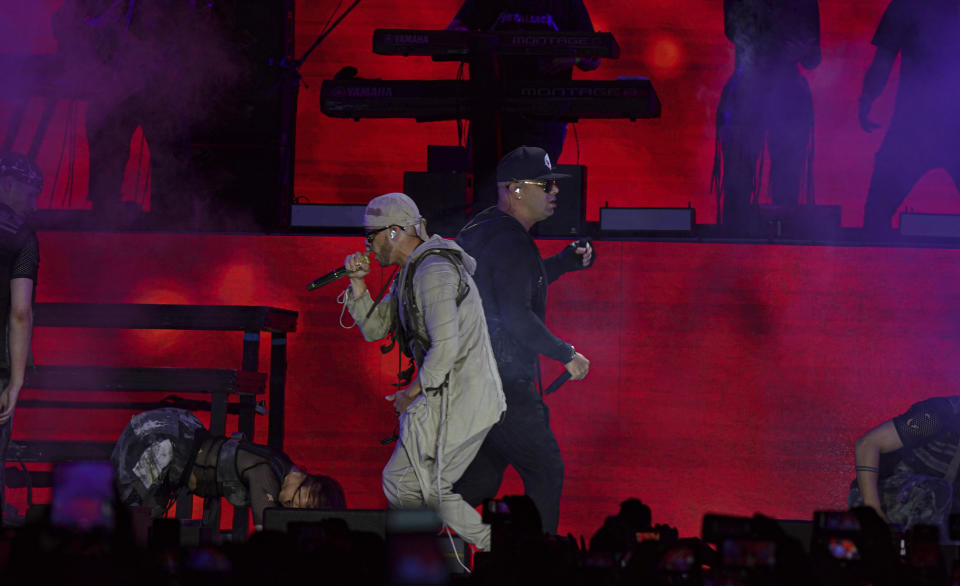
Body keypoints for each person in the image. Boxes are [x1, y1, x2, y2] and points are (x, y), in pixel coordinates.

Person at [340, 192, 506, 551]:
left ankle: (502, 549)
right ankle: (453, 552)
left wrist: (410, 393)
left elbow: (447, 345)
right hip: (445, 392)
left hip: (465, 394)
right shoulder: (409, 273)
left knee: (413, 483)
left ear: (395, 232)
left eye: (372, 236)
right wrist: (357, 283)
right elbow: (374, 329)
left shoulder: (433, 271)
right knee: (408, 483)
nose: (368, 245)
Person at [452, 146, 592, 535]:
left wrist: (563, 262)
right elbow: (515, 314)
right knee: (546, 470)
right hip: (504, 386)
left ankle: (415, 544)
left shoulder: (483, 229)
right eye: (544, 184)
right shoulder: (511, 241)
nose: (554, 191)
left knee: (479, 481)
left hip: (476, 383)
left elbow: (508, 290)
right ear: (514, 190)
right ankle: (538, 565)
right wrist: (566, 354)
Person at [111, 407, 346, 530]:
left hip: (176, 453)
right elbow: (268, 537)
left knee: (142, 523)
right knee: (129, 517)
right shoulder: (267, 472)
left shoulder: (279, 466)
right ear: (304, 483)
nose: (287, 505)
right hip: (163, 441)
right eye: (295, 502)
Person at [446, 0, 601, 164]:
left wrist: (572, 58)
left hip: (547, 111)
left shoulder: (567, 4)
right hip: (493, 106)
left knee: (533, 182)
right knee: (485, 178)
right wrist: (474, 42)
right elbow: (454, 31)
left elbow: (594, 57)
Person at [711, 0, 821, 231]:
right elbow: (737, 31)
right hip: (753, 93)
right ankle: (736, 244)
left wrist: (803, 48)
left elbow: (813, 57)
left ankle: (775, 247)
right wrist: (791, 46)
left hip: (781, 95)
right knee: (740, 181)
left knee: (784, 185)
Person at [859, 0, 960, 236]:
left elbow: (882, 62)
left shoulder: (906, 5)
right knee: (876, 213)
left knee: (876, 215)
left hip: (913, 126)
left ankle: (872, 267)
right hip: (926, 127)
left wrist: (866, 100)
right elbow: (882, 62)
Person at [0, 151, 40, 525]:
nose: (33, 202)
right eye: (30, 191)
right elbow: (19, 312)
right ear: (8, 184)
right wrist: (16, 380)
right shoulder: (21, 239)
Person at [849, 396, 960, 530]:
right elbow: (866, 444)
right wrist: (872, 514)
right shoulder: (937, 416)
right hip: (883, 499)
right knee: (939, 490)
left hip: (931, 513)